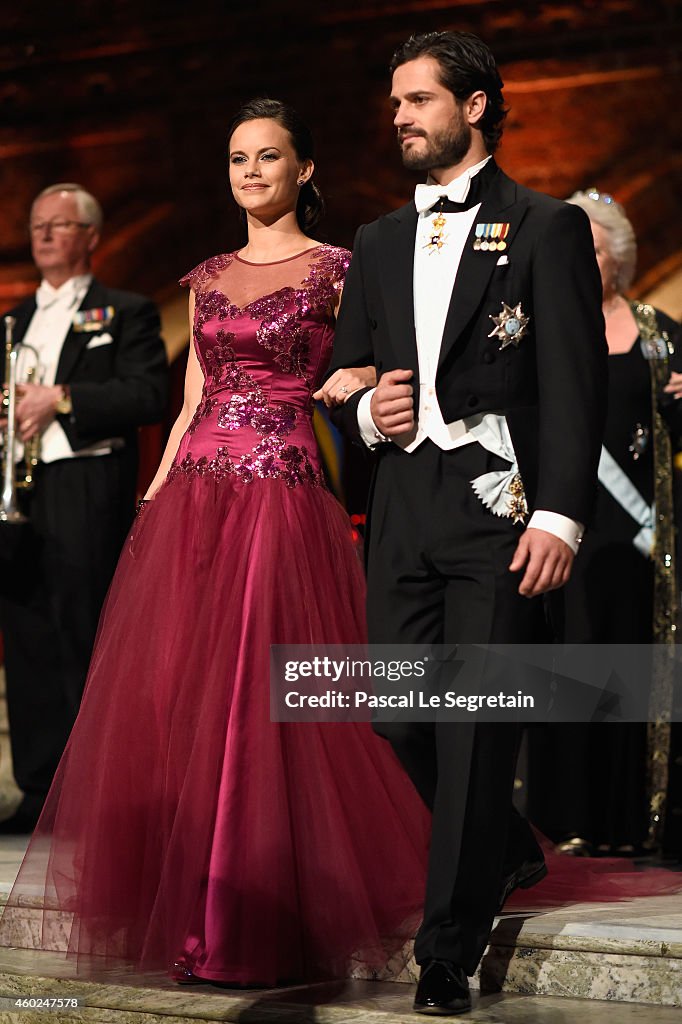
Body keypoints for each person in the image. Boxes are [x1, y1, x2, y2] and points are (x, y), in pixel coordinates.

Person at [0, 100, 431, 988]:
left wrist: (347, 379)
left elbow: (376, 363)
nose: (250, 173)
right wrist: (153, 506)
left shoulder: (339, 267)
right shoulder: (203, 278)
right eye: (238, 158)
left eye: (269, 158)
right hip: (196, 492)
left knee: (260, 687)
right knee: (185, 695)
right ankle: (198, 896)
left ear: (303, 170)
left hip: (281, 492)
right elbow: (193, 399)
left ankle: (259, 909)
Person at [324, 31, 609, 1015]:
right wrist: (366, 414)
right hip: (405, 506)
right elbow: (347, 379)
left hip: (501, 507)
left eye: (416, 99)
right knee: (395, 712)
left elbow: (576, 387)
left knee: (475, 729)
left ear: (475, 105)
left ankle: (446, 950)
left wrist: (562, 515)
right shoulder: (375, 240)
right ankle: (508, 842)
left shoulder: (544, 227)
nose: (397, 116)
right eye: (393, 102)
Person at [0, 183, 168, 834]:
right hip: (22, 493)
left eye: (59, 225)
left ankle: (94, 793)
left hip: (84, 489)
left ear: (92, 236)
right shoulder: (10, 322)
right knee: (29, 638)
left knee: (83, 640)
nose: (43, 235)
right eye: (37, 225)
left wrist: (61, 398)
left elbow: (150, 393)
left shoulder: (124, 312)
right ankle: (40, 793)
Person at [527, 189, 682, 857]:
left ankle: (631, 821)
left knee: (636, 668)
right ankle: (565, 819)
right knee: (569, 665)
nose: (580, 258)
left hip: (643, 541)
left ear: (616, 257)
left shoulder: (661, 333)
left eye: (590, 246)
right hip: (567, 531)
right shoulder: (539, 330)